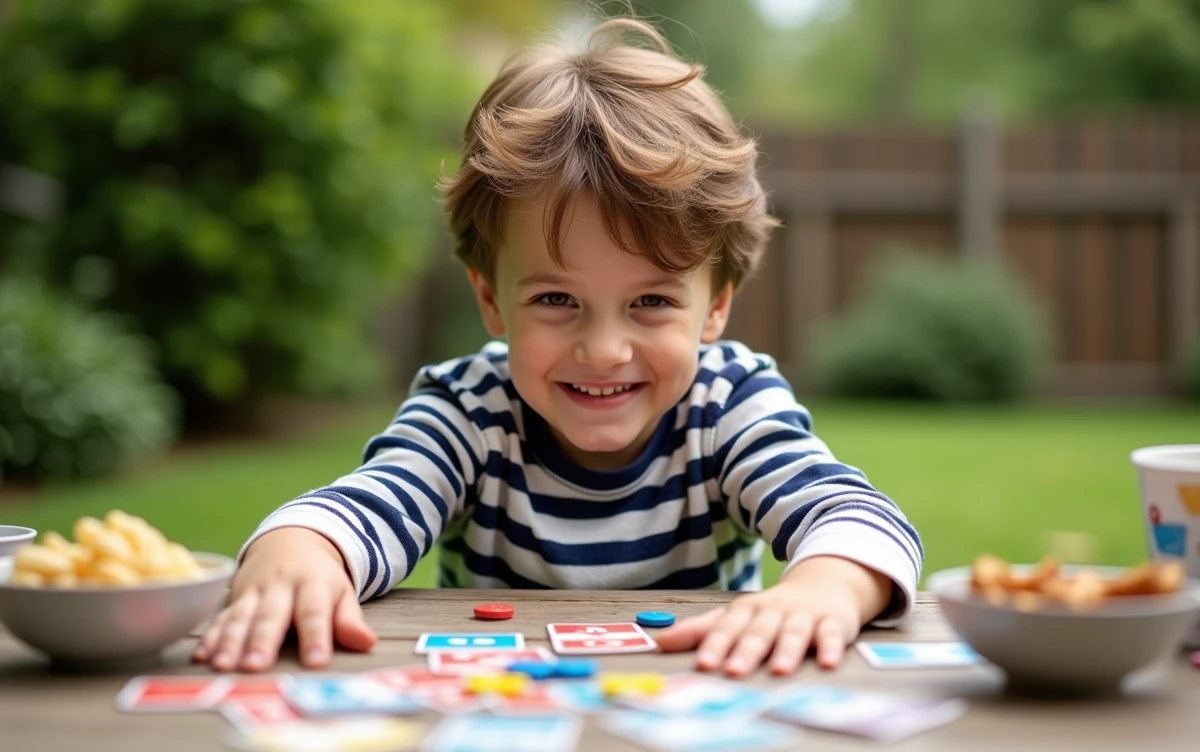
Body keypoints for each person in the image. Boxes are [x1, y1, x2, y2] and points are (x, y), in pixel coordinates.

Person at [193, 17, 923, 678]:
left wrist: (826, 586)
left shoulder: (727, 402)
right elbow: (369, 506)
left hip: (695, 710)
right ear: (490, 300)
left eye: (651, 302)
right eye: (555, 301)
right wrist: (299, 549)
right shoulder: (468, 411)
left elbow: (857, 519)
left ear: (715, 308)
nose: (604, 350)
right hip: (498, 717)